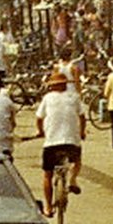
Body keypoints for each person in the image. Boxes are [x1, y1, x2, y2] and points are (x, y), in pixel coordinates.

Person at [35, 72, 87, 215]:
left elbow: (39, 118)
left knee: (47, 175)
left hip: (51, 142)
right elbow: (82, 117)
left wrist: (40, 131)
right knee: (77, 161)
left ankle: (48, 207)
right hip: (72, 141)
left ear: (51, 87)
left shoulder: (47, 98)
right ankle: (73, 179)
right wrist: (82, 132)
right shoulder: (75, 97)